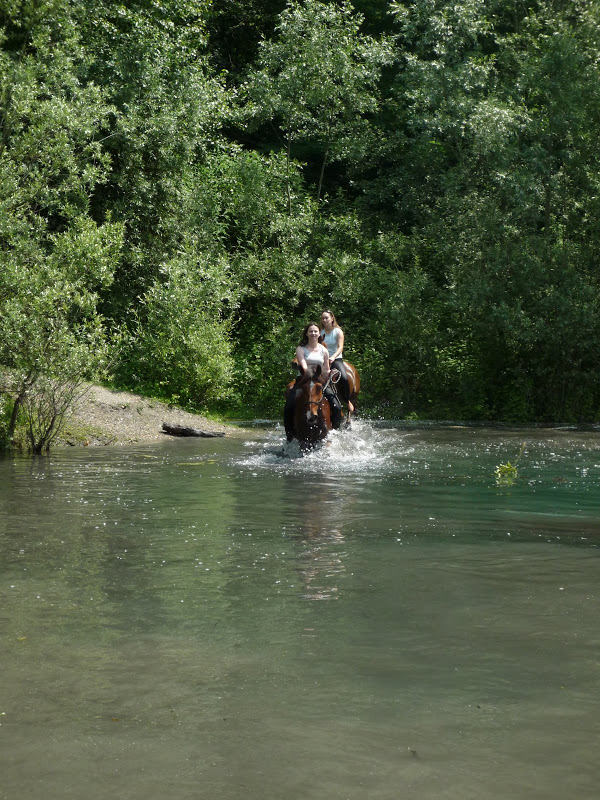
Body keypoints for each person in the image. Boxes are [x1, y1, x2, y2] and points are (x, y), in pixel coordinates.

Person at [284, 322, 342, 441]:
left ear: (319, 333)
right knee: (289, 405)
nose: (313, 333)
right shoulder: (301, 349)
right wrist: (314, 373)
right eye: (311, 331)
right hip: (304, 380)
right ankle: (290, 434)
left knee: (336, 405)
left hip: (320, 381)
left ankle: (335, 432)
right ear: (306, 333)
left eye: (315, 331)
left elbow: (325, 369)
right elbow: (304, 367)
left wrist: (329, 373)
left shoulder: (324, 350)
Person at [320, 310, 353, 413]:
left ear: (332, 318)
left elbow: (340, 347)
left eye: (326, 318)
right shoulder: (320, 333)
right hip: (322, 359)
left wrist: (332, 357)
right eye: (323, 318)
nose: (324, 320)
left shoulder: (337, 331)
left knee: (343, 377)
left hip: (335, 358)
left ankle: (347, 400)